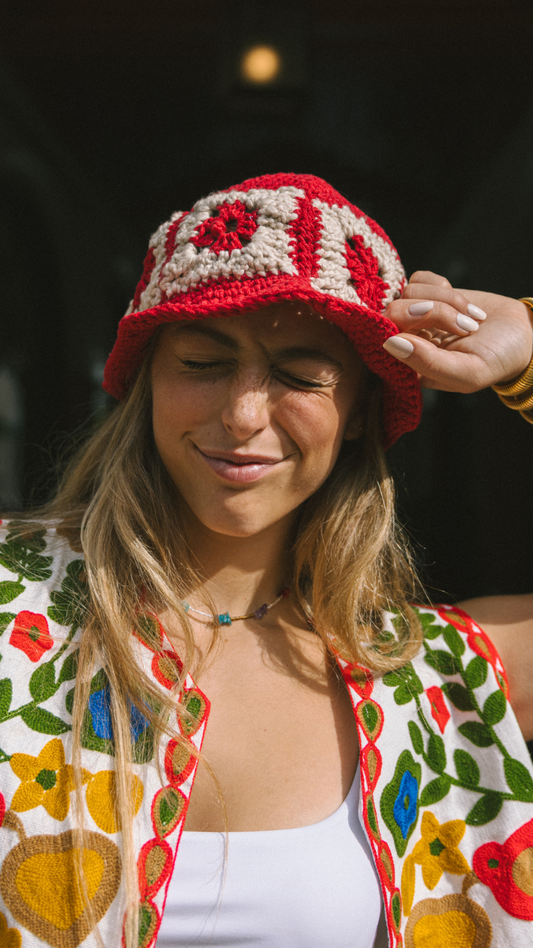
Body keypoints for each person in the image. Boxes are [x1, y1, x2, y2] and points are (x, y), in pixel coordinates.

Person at [0, 172, 532, 948]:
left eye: (299, 375)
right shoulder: (14, 605)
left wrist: (525, 350)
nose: (244, 414)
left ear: (356, 412)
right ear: (145, 380)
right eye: (203, 363)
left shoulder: (439, 679)